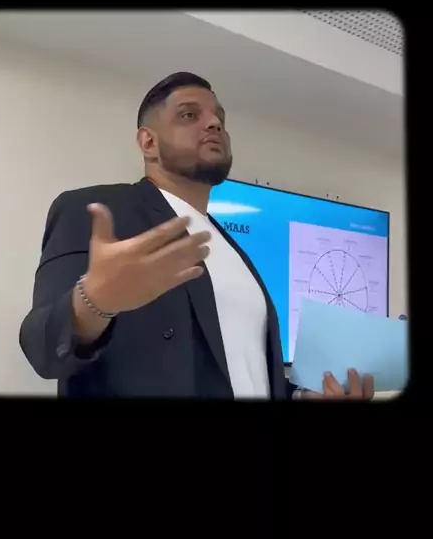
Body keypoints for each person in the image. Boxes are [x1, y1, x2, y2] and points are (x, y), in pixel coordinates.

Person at [19, 72, 374, 400]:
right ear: (148, 142)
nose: (214, 123)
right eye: (189, 115)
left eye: (219, 118)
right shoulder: (98, 211)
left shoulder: (232, 250)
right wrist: (95, 300)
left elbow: (244, 371)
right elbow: (42, 350)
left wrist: (304, 396)